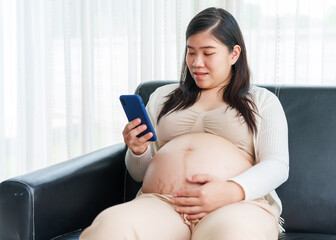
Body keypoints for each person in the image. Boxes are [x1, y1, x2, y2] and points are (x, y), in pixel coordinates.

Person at [80, 7, 289, 240]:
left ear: (234, 54)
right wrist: (137, 151)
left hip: (236, 205)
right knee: (109, 227)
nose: (197, 63)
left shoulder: (261, 101)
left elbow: (277, 164)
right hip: (162, 204)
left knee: (232, 235)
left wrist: (232, 190)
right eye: (191, 52)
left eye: (208, 53)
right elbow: (139, 173)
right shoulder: (162, 97)